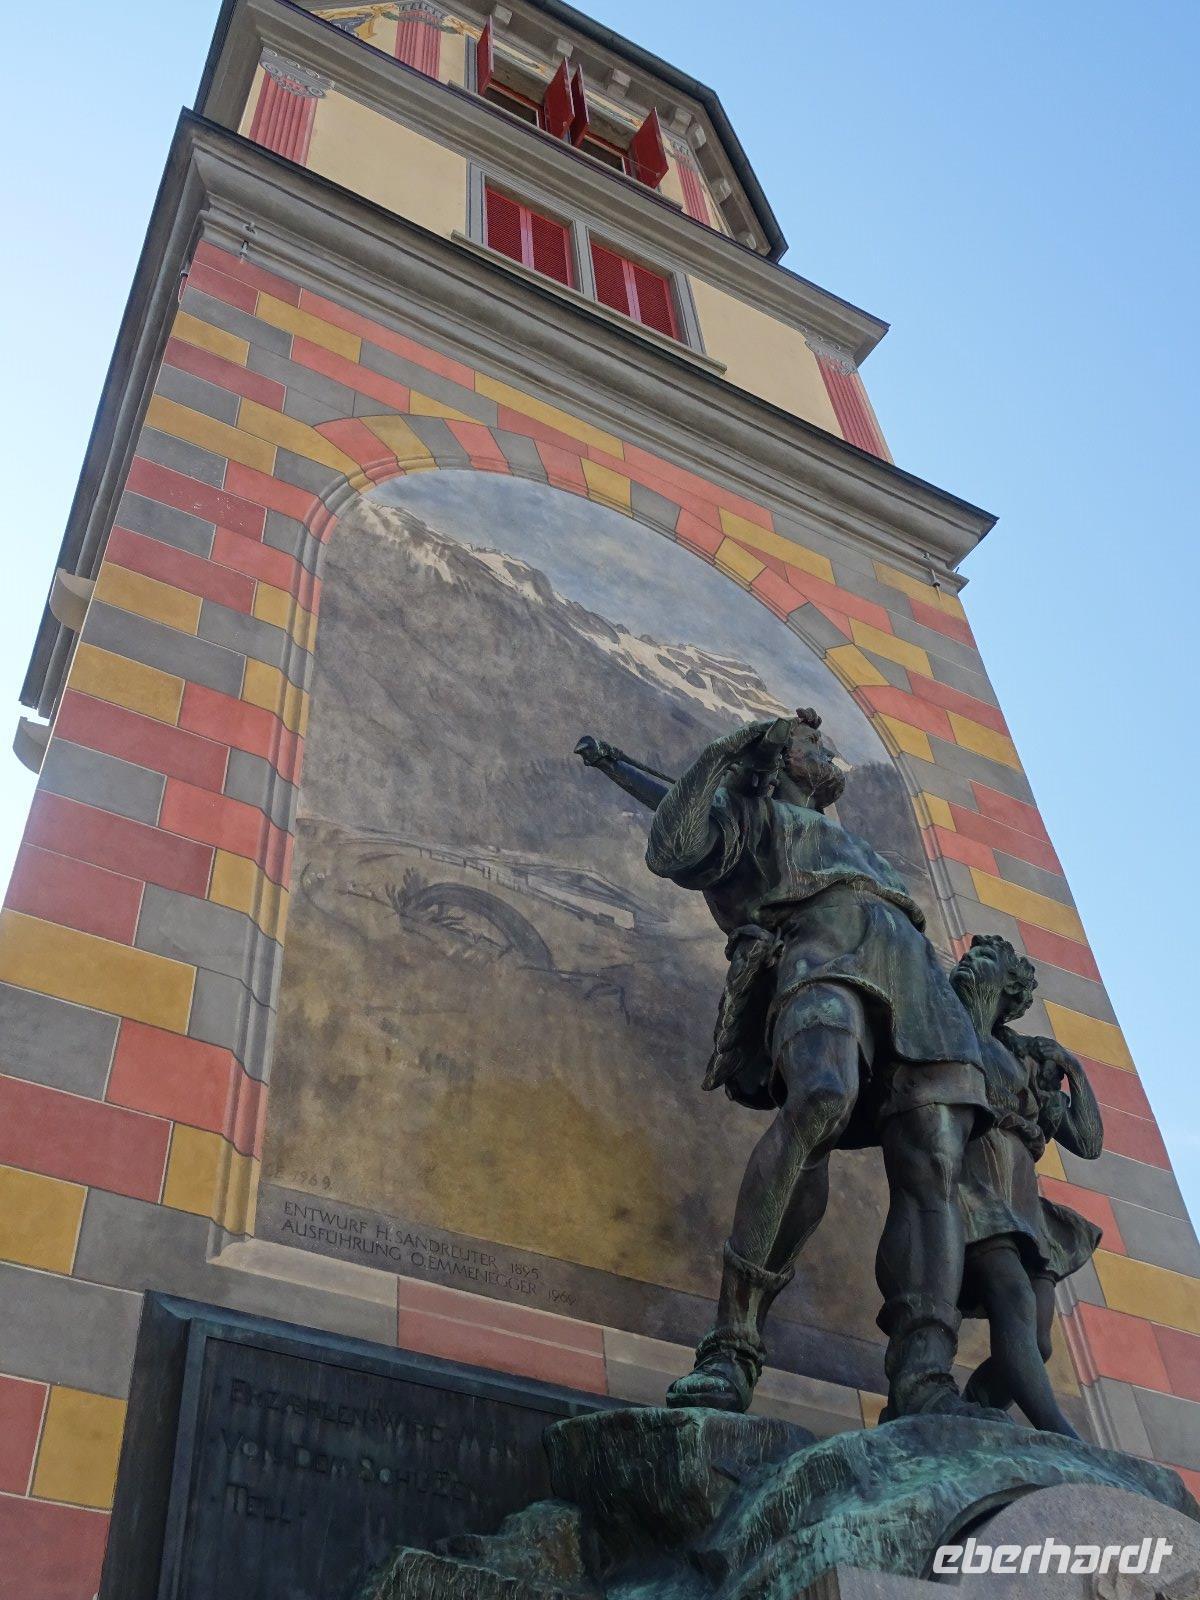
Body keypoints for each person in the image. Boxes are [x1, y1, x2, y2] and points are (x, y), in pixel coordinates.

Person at [575, 710, 992, 1418]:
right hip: (819, 956)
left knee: (936, 1161)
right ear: (777, 755)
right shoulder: (749, 816)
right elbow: (672, 848)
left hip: (918, 982)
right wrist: (728, 750)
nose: (826, 751)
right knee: (821, 1098)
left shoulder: (855, 845)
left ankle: (924, 1375)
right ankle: (733, 1344)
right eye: (811, 743)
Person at [949, 933, 1104, 1436]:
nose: (969, 965)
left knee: (1037, 1342)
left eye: (983, 960)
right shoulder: (952, 1027)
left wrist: (1074, 1069)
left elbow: (1088, 1143)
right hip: (973, 1185)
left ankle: (976, 1410)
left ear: (1010, 991)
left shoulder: (1025, 1061)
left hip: (1023, 1202)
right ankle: (1058, 1432)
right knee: (1012, 1298)